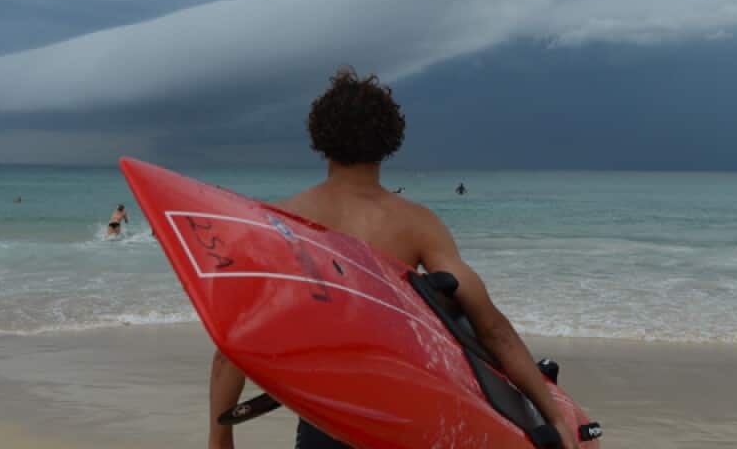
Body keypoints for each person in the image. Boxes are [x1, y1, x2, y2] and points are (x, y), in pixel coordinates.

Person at [207, 67, 580, 449]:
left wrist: (220, 435)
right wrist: (553, 417)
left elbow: (233, 344)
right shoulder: (416, 224)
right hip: (407, 417)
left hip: (328, 420)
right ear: (389, 140)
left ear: (320, 138)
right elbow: (492, 330)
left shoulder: (282, 222)